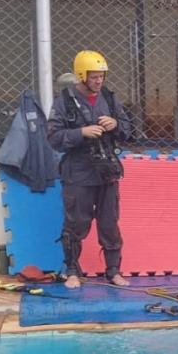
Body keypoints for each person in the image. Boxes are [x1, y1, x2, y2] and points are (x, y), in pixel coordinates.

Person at [46, 50, 135, 289]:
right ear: (81, 75)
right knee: (76, 223)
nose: (99, 81)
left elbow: (128, 129)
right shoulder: (64, 101)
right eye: (94, 77)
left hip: (106, 171)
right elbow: (53, 136)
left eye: (102, 76)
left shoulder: (108, 97)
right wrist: (80, 133)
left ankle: (113, 270)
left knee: (109, 223)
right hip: (78, 172)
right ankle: (72, 270)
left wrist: (115, 124)